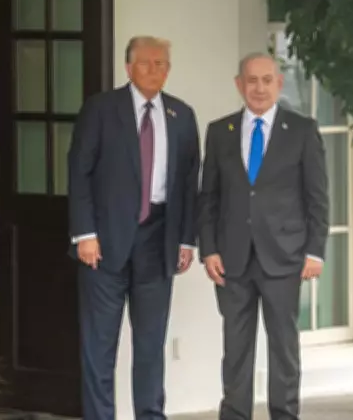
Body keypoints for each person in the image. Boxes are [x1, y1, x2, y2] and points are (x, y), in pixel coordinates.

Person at [67, 36, 201, 420]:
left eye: (161, 64)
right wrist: (85, 234)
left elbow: (189, 182)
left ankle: (150, 415)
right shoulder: (101, 109)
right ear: (128, 67)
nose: (154, 70)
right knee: (99, 346)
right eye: (146, 63)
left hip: (158, 241)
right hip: (104, 242)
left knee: (150, 346)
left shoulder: (181, 115)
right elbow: (79, 171)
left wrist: (186, 239)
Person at [197, 52, 330, 420]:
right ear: (239, 84)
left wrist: (315, 251)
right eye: (251, 80)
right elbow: (208, 197)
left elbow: (317, 196)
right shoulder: (220, 132)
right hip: (232, 259)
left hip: (285, 257)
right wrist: (209, 249)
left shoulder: (302, 131)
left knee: (283, 347)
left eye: (266, 80)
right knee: (235, 349)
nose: (259, 88)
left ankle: (284, 415)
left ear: (279, 84)